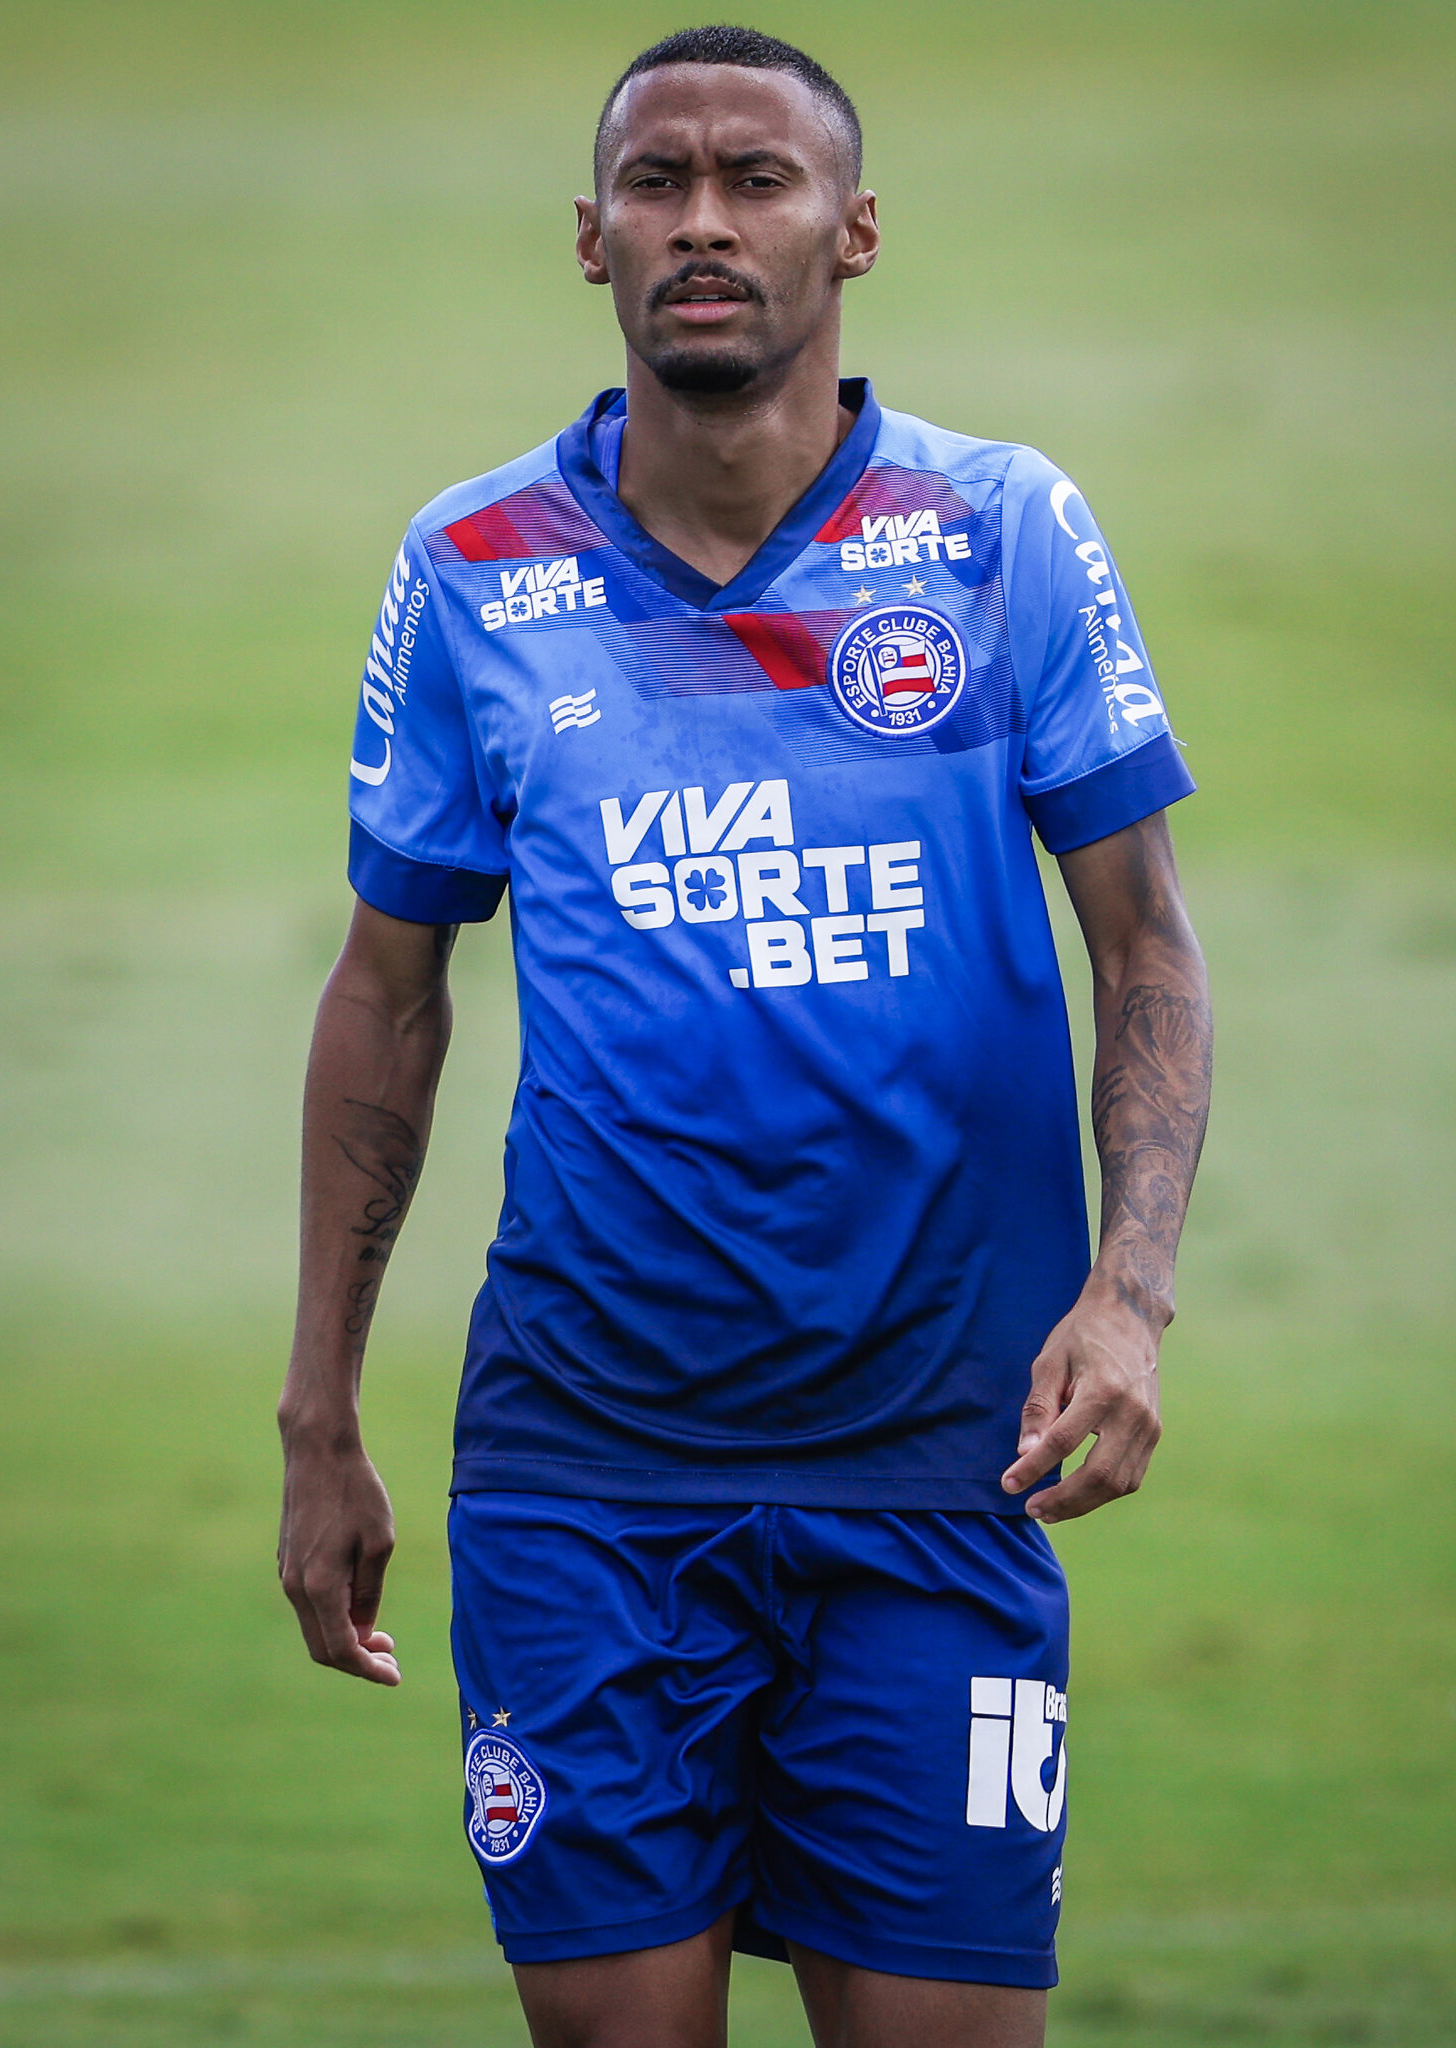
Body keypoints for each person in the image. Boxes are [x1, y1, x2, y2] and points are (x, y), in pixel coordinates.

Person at [276, 25, 1212, 2048]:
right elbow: (389, 987)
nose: (704, 219)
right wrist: (319, 1413)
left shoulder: (1002, 534)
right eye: (659, 182)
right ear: (590, 239)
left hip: (939, 1458)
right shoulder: (472, 574)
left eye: (758, 180)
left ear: (852, 229)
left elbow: (1146, 945)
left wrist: (1130, 1298)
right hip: (584, 1473)